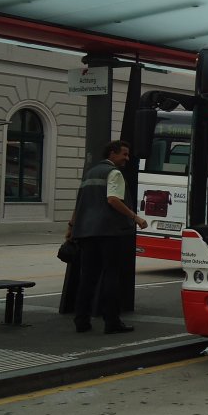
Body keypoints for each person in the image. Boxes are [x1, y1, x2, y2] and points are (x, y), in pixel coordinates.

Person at [66, 140, 148, 334]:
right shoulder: (114, 173)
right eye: (124, 154)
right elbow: (112, 199)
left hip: (87, 232)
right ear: (112, 153)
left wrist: (71, 227)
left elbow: (80, 204)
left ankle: (81, 320)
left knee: (87, 277)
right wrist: (135, 217)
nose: (127, 158)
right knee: (111, 275)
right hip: (109, 232)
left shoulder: (90, 174)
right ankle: (112, 321)